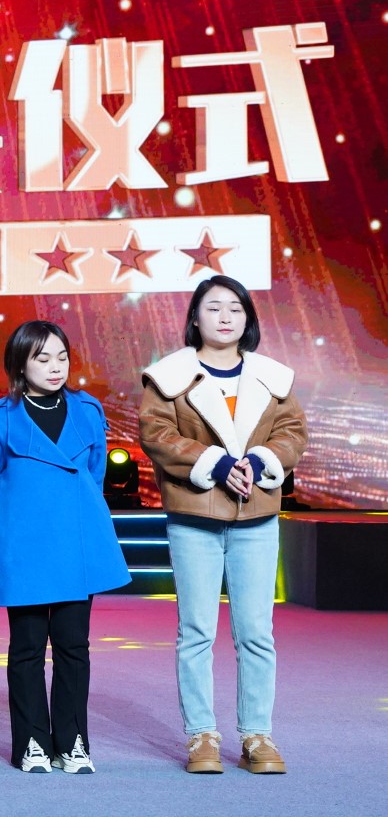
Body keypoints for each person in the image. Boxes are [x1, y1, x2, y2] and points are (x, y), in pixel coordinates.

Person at [139, 275, 306, 775]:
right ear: (195, 318)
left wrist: (259, 460)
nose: (225, 316)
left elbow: (292, 431)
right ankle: (201, 735)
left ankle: (257, 735)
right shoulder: (168, 375)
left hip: (257, 515)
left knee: (257, 632)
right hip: (194, 517)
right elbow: (156, 432)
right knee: (196, 631)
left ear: (248, 318)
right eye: (213, 308)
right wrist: (214, 463)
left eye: (235, 307)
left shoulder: (273, 376)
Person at [0, 321, 130, 774]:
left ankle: (73, 743)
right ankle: (31, 744)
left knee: (73, 647)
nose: (55, 366)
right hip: (22, 546)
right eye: (42, 358)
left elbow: (95, 474)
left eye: (61, 356)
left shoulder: (88, 411)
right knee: (26, 648)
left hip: (76, 542)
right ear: (20, 364)